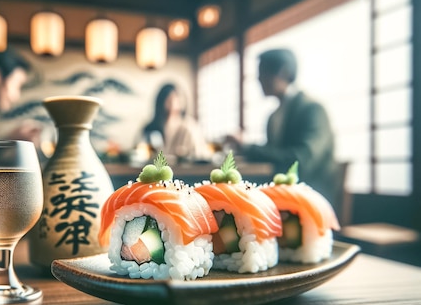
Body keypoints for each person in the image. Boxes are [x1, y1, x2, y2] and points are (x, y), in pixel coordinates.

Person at [226, 48, 338, 204]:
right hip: (283, 193)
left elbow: (302, 160)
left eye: (263, 73)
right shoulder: (273, 116)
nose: (258, 79)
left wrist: (248, 147)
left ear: (284, 72)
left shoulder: (312, 109)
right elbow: (274, 153)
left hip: (311, 196)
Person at [142, 83, 210, 162]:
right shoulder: (152, 127)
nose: (172, 103)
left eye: (175, 99)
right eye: (168, 100)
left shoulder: (189, 126)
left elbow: (199, 153)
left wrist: (184, 153)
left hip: (184, 170)